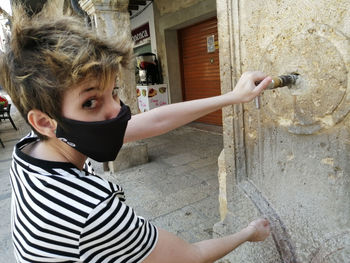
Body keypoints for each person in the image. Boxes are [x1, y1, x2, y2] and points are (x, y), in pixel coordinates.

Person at [0, 2, 272, 262]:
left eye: (114, 92)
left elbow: (153, 122)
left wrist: (234, 97)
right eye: (90, 102)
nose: (116, 111)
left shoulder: (32, 147)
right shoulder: (94, 211)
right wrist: (249, 232)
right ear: (44, 121)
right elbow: (191, 256)